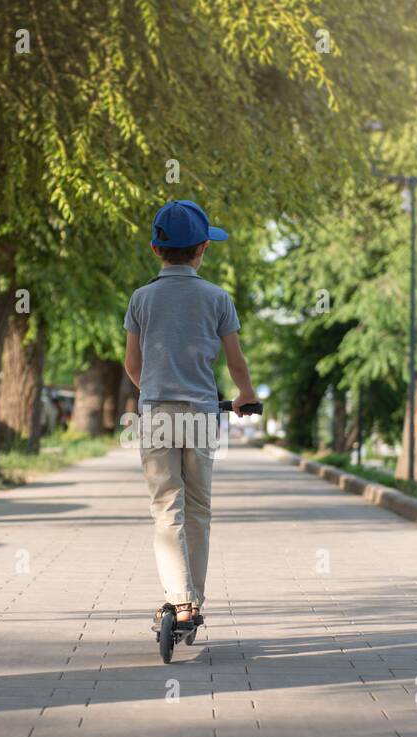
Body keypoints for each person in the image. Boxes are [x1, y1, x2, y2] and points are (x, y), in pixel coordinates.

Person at [123, 199, 257, 630]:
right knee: (198, 507)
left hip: (157, 411)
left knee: (167, 507)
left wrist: (155, 391)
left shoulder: (141, 298)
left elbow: (132, 363)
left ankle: (177, 599)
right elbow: (236, 364)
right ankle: (193, 603)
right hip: (201, 414)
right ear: (203, 248)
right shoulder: (218, 298)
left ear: (154, 249)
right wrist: (245, 395)